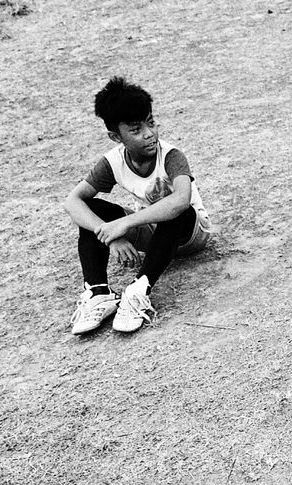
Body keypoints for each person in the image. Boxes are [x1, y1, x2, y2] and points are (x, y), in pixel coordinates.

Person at [63, 77, 213, 334]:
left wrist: (124, 224)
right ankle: (99, 292)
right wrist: (109, 235)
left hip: (190, 234)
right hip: (153, 234)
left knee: (178, 209)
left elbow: (180, 201)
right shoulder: (113, 162)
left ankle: (138, 289)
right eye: (135, 130)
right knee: (93, 208)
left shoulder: (171, 156)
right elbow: (72, 201)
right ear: (115, 136)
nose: (148, 133)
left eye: (151, 122)